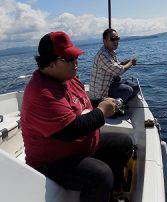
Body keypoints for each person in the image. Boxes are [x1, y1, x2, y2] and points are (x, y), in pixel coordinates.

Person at [21, 31, 133, 202]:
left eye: (76, 58)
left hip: (82, 148)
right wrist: (103, 111)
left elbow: (83, 105)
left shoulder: (68, 78)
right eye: (70, 59)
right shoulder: (41, 93)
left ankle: (114, 193)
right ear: (50, 63)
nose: (76, 63)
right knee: (101, 175)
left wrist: (104, 105)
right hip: (52, 162)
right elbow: (72, 130)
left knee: (123, 143)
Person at [89, 28, 139, 106]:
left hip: (109, 84)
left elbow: (116, 65)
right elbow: (118, 71)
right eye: (112, 39)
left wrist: (125, 62)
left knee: (136, 87)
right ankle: (113, 110)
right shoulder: (103, 55)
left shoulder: (110, 52)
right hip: (100, 95)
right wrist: (130, 63)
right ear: (104, 41)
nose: (116, 41)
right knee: (128, 90)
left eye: (117, 38)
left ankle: (120, 104)